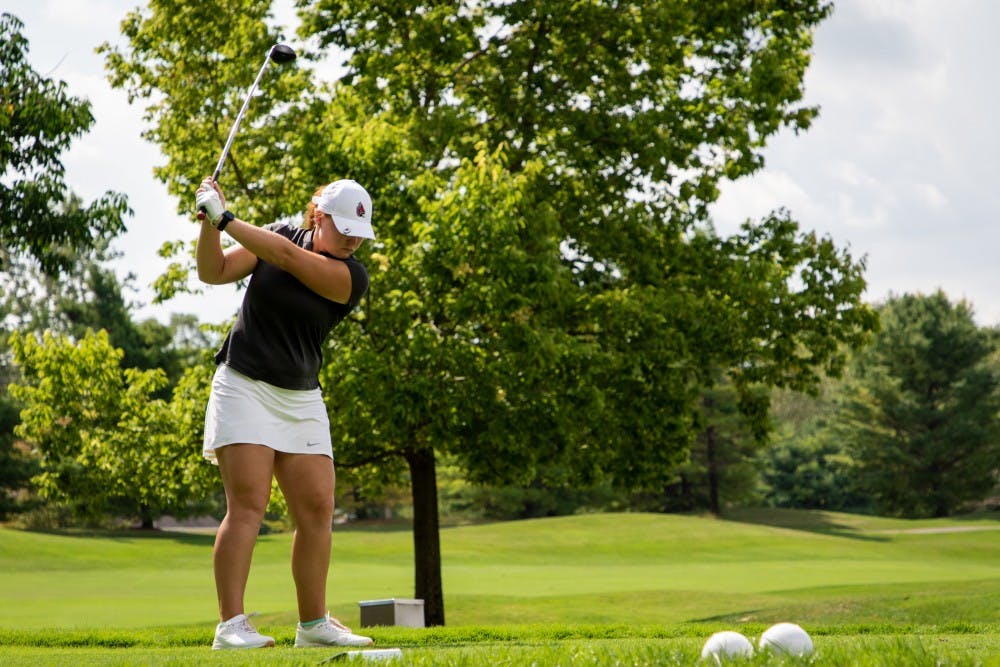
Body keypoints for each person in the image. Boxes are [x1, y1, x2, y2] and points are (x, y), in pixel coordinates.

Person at [194, 177, 376, 650]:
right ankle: (230, 626)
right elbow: (212, 272)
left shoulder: (351, 277)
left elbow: (289, 259)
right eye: (343, 228)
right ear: (318, 217)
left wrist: (227, 218)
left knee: (317, 508)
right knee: (249, 505)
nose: (353, 239)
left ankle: (313, 625)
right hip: (244, 384)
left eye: (359, 231)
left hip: (300, 397)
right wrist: (209, 226)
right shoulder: (279, 234)